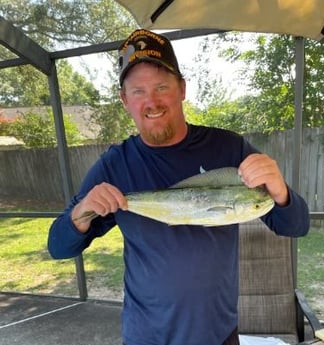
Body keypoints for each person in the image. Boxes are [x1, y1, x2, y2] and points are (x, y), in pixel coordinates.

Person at [48, 29, 310, 345]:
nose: (152, 101)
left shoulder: (228, 149)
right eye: (138, 91)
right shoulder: (114, 166)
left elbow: (296, 225)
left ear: (181, 89)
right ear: (124, 100)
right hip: (147, 337)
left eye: (161, 87)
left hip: (219, 335)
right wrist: (81, 213)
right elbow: (59, 247)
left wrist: (280, 190)